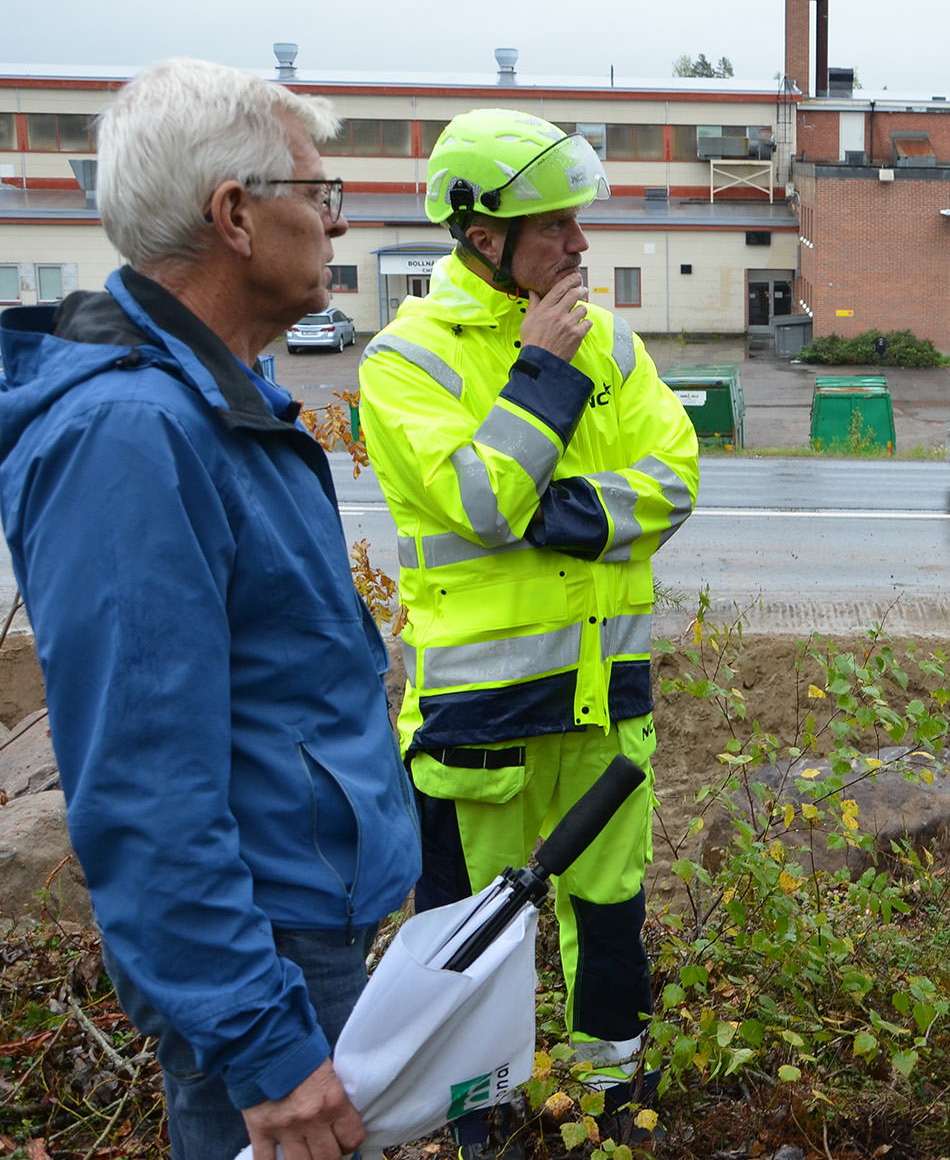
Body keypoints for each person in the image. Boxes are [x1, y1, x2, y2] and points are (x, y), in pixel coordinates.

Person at [0, 58, 422, 1160]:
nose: (335, 220)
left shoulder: (216, 400)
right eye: (317, 193)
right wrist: (265, 1047)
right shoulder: (134, 436)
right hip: (268, 954)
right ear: (234, 214)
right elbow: (145, 786)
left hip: (300, 920)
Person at [358, 109, 699, 1155]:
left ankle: (611, 1111)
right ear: (482, 235)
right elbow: (476, 497)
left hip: (603, 705)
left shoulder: (614, 341)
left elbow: (674, 477)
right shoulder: (402, 360)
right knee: (469, 946)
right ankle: (482, 1129)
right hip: (477, 726)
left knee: (610, 925)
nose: (580, 245)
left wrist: (558, 512)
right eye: (556, 226)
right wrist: (541, 373)